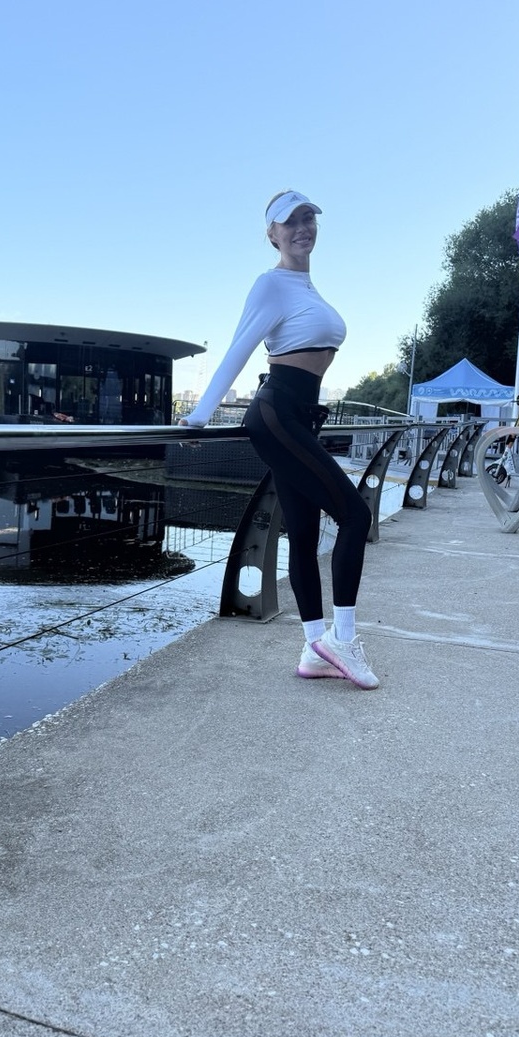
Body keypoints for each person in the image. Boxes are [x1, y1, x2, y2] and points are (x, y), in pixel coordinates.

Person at [179, 190, 379, 689]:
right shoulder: (270, 284)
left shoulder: (307, 288)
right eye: (290, 222)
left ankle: (314, 649)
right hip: (276, 414)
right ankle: (343, 639)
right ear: (272, 233)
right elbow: (238, 349)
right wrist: (199, 416)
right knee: (356, 515)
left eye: (308, 218)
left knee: (305, 535)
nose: (302, 227)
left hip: (301, 416)